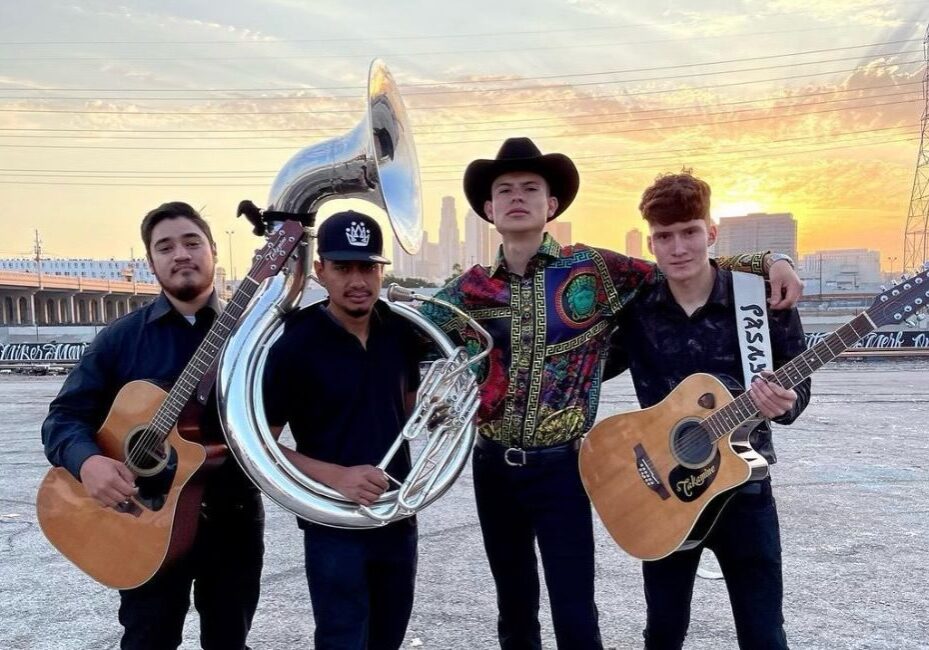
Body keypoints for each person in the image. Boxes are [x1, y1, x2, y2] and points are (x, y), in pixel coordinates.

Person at [418, 137, 803, 649]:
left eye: (531, 188)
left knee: (580, 611)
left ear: (551, 205)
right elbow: (407, 332)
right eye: (504, 190)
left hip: (584, 470)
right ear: (488, 209)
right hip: (499, 467)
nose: (517, 197)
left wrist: (774, 259)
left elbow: (688, 264)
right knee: (519, 609)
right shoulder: (467, 288)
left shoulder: (597, 271)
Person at [41, 201, 264, 650]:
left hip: (232, 519)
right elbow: (63, 418)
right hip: (140, 520)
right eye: (165, 247)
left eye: (191, 242)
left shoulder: (253, 337)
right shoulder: (122, 338)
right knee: (147, 640)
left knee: (229, 641)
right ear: (151, 263)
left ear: (214, 252)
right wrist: (88, 465)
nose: (180, 254)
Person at [605, 172, 811, 649]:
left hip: (745, 491)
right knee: (663, 633)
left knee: (764, 636)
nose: (678, 247)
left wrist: (783, 405)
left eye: (690, 232)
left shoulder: (760, 299)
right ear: (652, 243)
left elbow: (798, 390)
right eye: (664, 236)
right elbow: (588, 369)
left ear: (711, 233)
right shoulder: (637, 309)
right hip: (662, 489)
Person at [262, 210, 427, 650]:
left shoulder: (400, 332)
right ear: (319, 271)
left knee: (389, 637)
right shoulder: (294, 345)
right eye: (343, 267)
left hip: (396, 514)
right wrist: (337, 476)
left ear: (381, 269)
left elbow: (407, 413)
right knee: (342, 641)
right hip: (333, 523)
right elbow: (261, 446)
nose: (358, 280)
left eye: (368, 266)